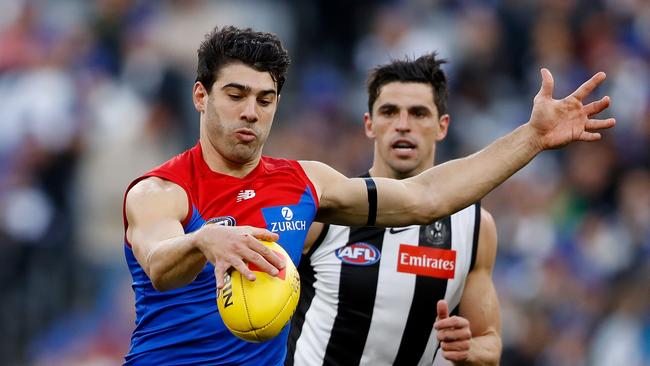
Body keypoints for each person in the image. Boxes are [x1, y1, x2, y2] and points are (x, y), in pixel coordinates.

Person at [122, 26, 614, 365]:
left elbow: (426, 198)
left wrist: (532, 137)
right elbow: (160, 263)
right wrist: (203, 240)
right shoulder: (160, 191)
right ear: (201, 96)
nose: (251, 111)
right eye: (235, 95)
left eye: (265, 99)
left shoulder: (305, 183)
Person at [287, 54, 500, 366]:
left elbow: (490, 344)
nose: (403, 125)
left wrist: (467, 349)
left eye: (418, 113)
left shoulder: (475, 226)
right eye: (389, 112)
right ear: (369, 124)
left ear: (442, 127)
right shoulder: (327, 211)